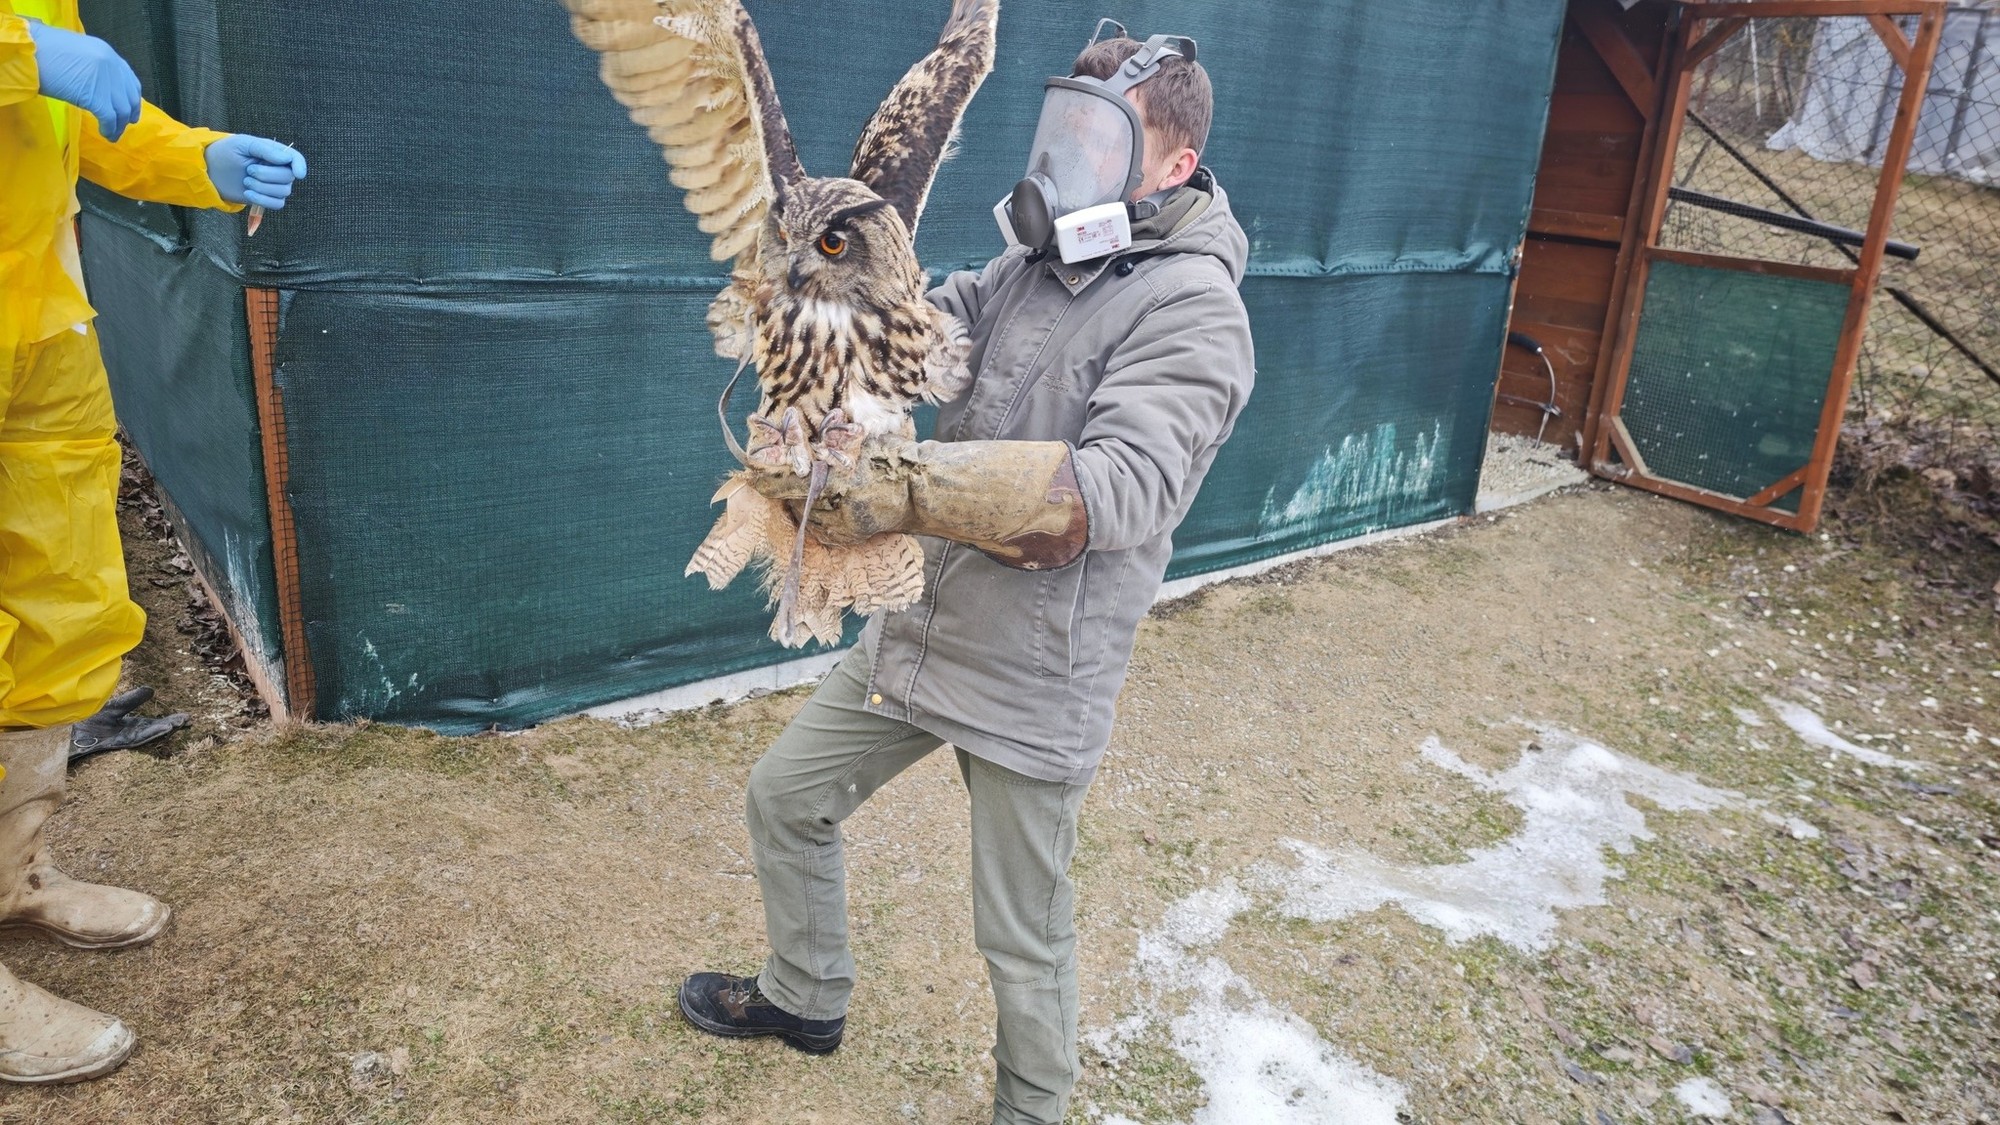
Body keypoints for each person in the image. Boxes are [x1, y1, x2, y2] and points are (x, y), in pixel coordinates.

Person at [679, 30, 1255, 1125]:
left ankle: (1028, 1111)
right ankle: (805, 997)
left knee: (1020, 935)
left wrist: (895, 481)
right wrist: (831, 364)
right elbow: (933, 324)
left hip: (1037, 669)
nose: (1065, 161)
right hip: (924, 626)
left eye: (1100, 140)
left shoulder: (1192, 309)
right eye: (1063, 130)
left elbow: (1113, 492)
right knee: (785, 797)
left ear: (1172, 167)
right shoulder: (1031, 265)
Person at [1, 0, 305, 1084]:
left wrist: (202, 160)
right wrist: (21, 50)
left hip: (34, 322)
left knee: (62, 615)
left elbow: (81, 127)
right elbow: (35, 69)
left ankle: (11, 876)